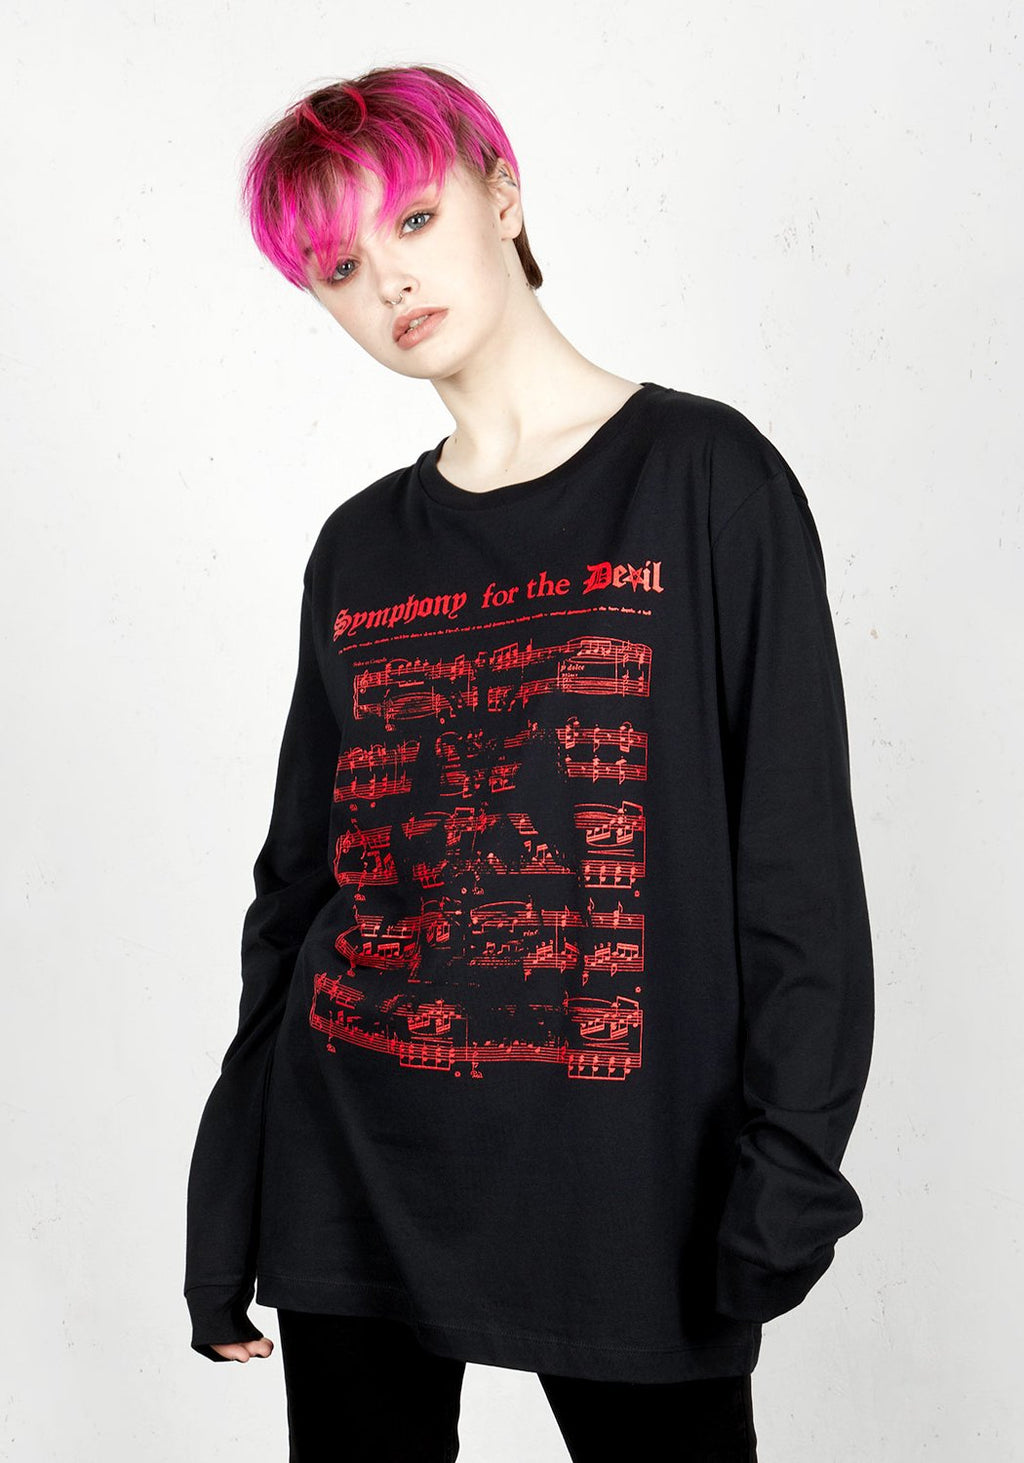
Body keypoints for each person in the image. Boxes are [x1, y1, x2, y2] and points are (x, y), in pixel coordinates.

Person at [183, 63, 875, 1463]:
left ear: (503, 196)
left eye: (414, 220)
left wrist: (791, 1169)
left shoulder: (704, 477)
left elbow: (795, 863)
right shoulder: (358, 549)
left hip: (626, 1184)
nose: (388, 281)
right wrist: (231, 1195)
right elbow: (299, 887)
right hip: (355, 1161)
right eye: (339, 266)